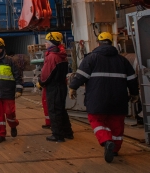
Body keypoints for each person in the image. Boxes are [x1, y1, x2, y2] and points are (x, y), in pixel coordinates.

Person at [69, 32, 139, 163]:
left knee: (96, 120)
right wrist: (135, 94)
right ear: (112, 43)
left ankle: (106, 141)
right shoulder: (122, 60)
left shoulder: (91, 58)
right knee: (117, 124)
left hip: (97, 100)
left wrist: (72, 87)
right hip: (119, 100)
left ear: (98, 43)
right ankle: (115, 149)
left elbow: (80, 76)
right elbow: (132, 80)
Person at [39, 32, 73, 142]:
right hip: (62, 85)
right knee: (61, 110)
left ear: (51, 43)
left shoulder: (52, 57)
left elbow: (46, 74)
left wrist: (41, 82)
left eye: (47, 42)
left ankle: (57, 135)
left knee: (53, 110)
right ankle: (68, 132)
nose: (45, 44)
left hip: (53, 87)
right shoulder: (62, 55)